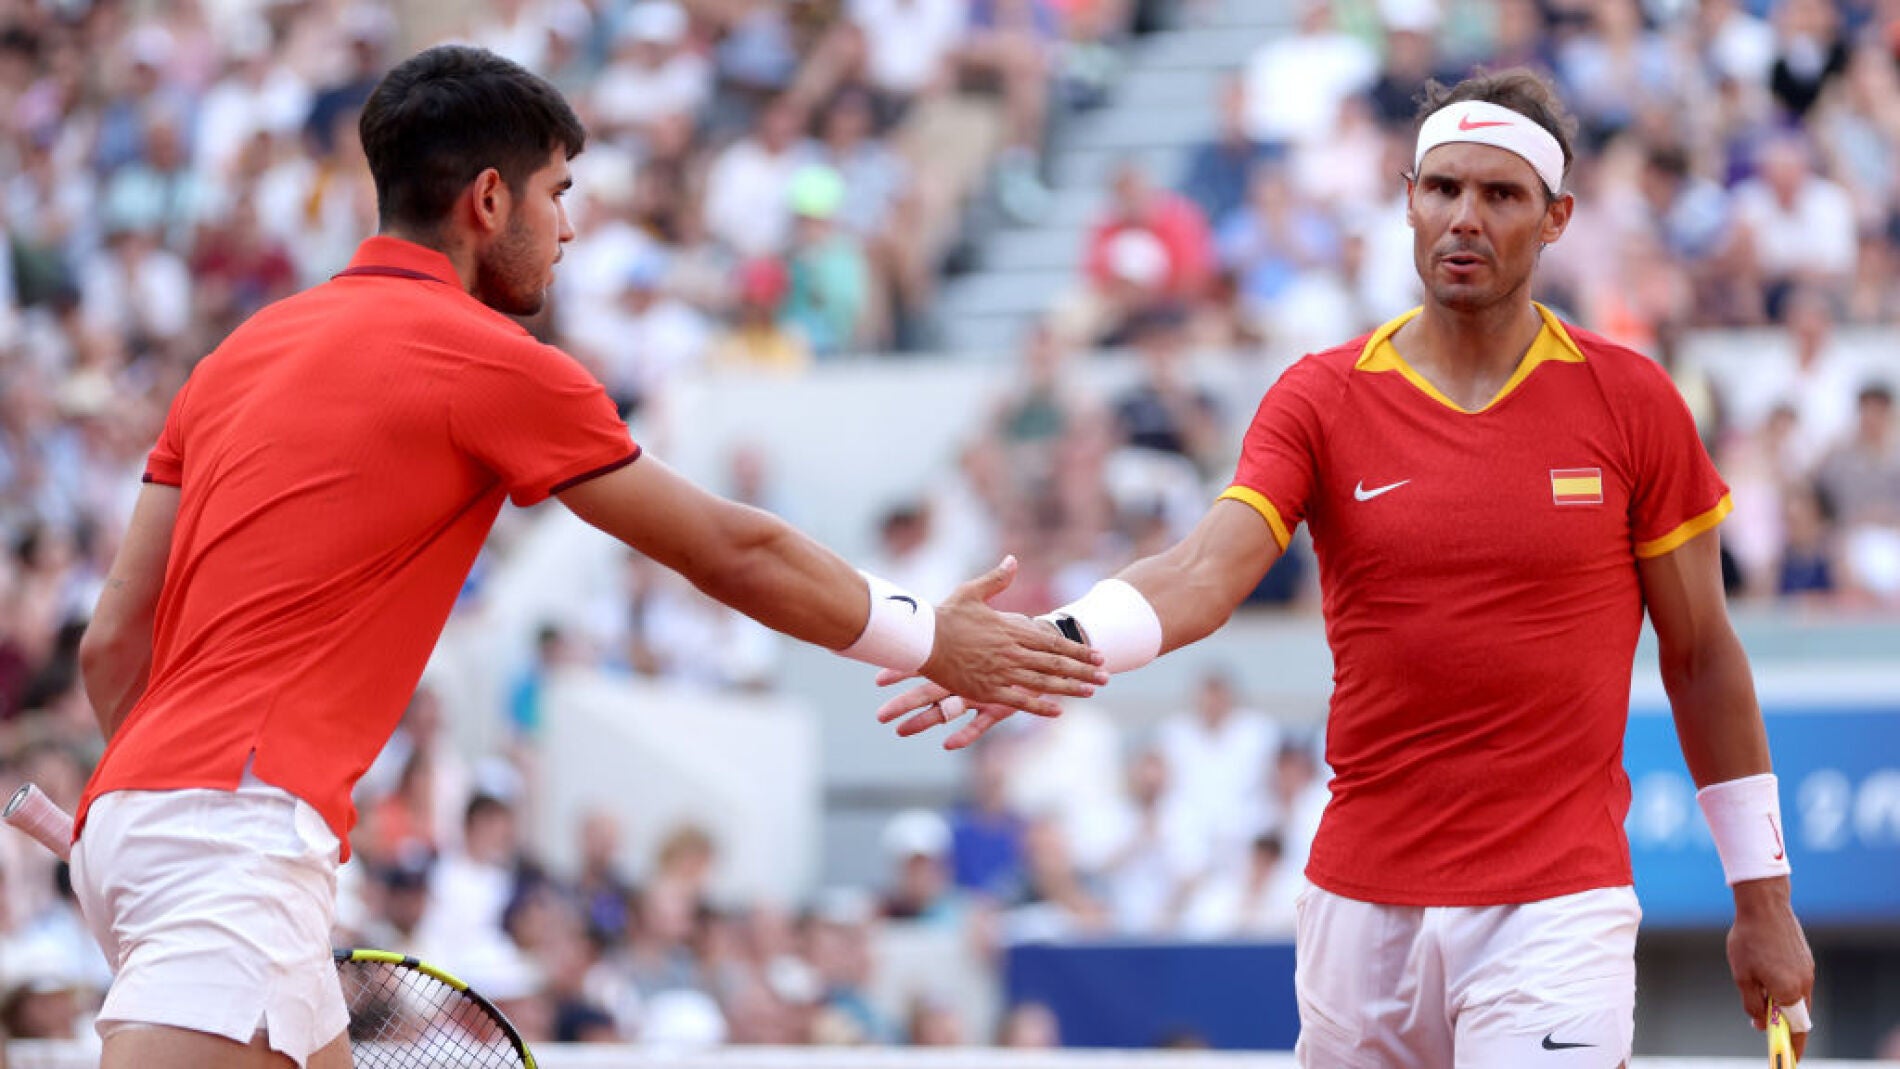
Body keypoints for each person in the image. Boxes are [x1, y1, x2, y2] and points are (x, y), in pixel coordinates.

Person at [66, 45, 1103, 1069]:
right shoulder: (490, 361)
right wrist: (932, 639)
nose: (569, 226)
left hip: (143, 810)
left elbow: (114, 642)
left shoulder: (233, 356)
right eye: (558, 193)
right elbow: (732, 550)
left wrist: (155, 810)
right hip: (236, 824)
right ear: (488, 200)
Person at [880, 69, 1816, 1067]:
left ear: (1556, 219)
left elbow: (1702, 657)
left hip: (1556, 905)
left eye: (1501, 194)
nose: (1464, 217)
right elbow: (1202, 572)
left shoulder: (1632, 400)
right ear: (1407, 200)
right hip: (1357, 912)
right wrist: (1047, 641)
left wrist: (1762, 897)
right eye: (1442, 187)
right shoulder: (1321, 395)